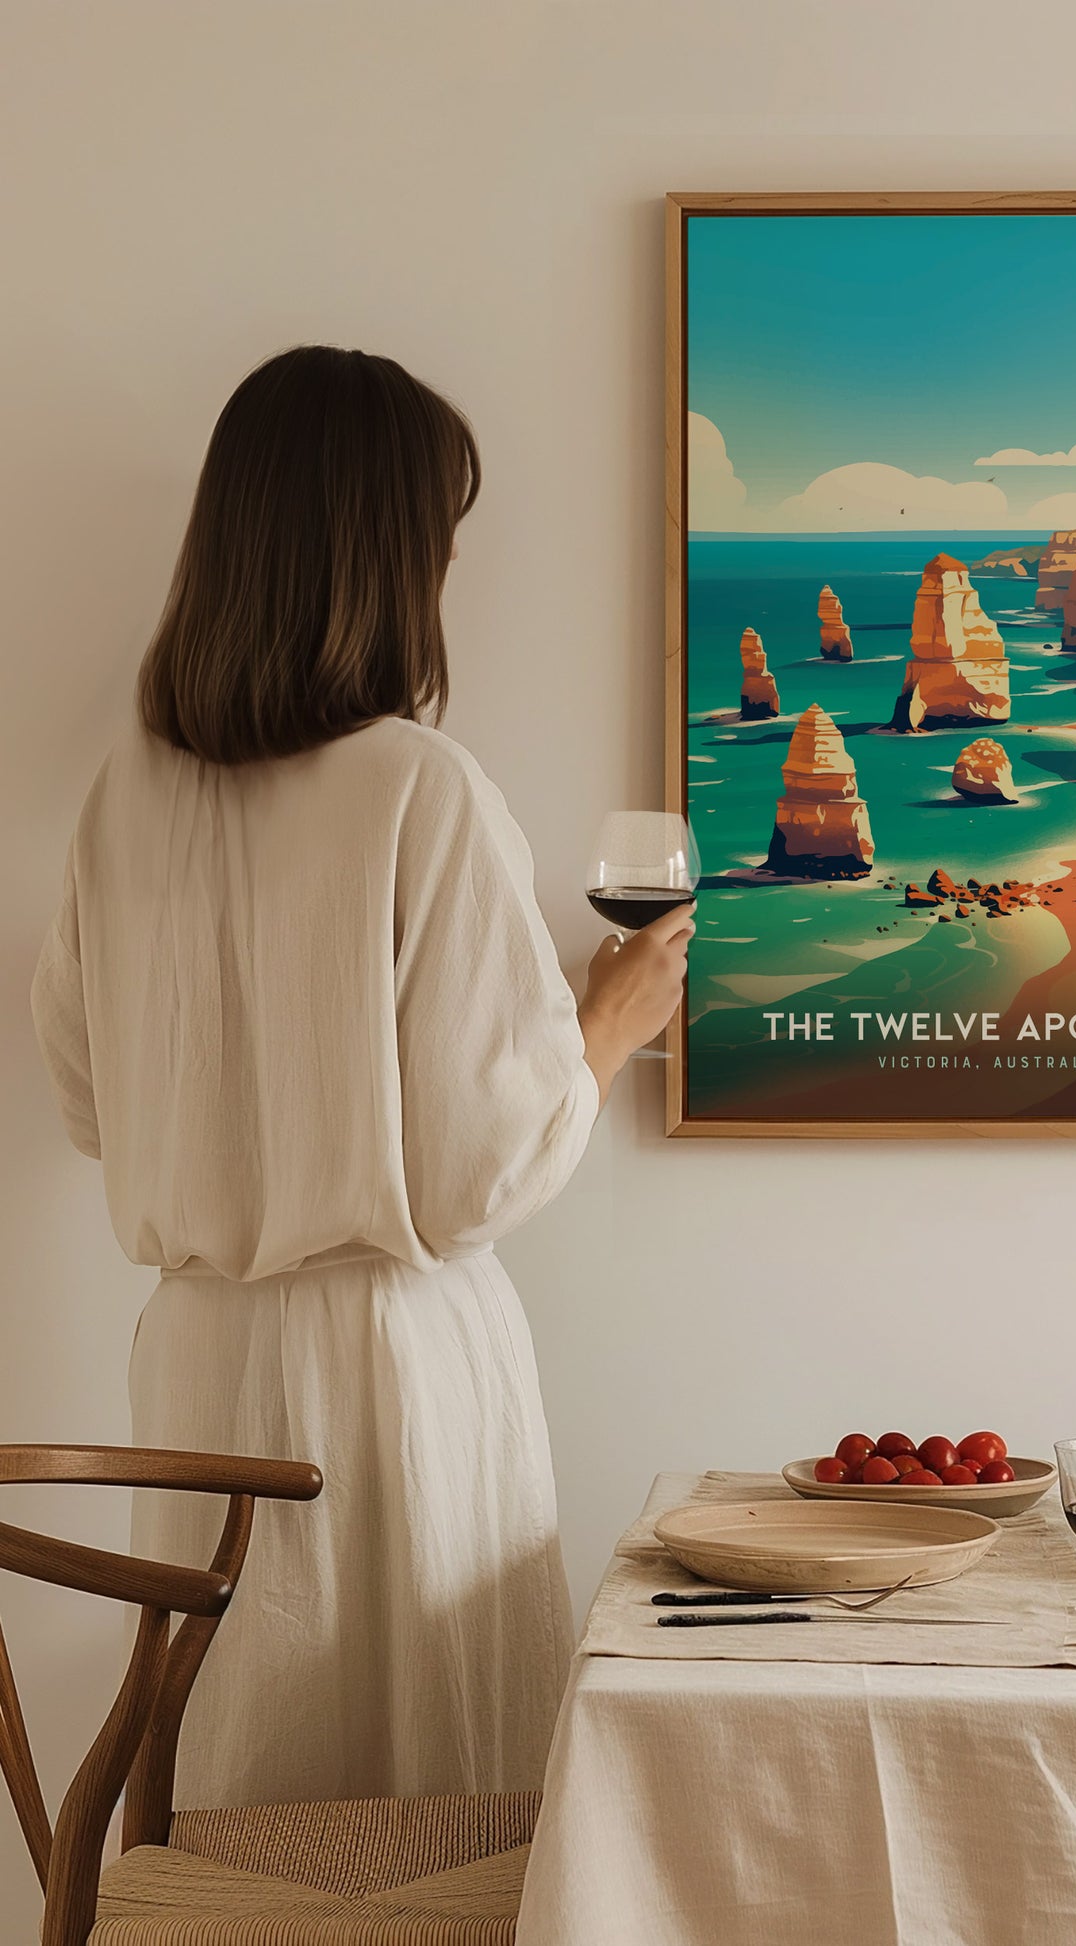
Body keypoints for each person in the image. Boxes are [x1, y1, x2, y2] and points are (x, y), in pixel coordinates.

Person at [29, 345, 688, 1806]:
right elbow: (475, 1173)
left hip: (198, 1361)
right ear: (388, 556)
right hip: (390, 1372)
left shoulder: (123, 797)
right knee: (423, 1811)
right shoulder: (417, 786)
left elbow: (87, 1101)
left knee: (240, 1789)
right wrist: (607, 1020)